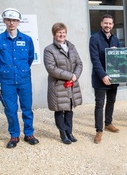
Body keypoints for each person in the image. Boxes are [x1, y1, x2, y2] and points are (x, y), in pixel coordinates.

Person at [0, 8, 39, 148]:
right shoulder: (0, 39)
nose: (12, 23)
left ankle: (29, 133)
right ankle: (14, 135)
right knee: (10, 110)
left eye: (14, 20)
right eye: (9, 20)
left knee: (27, 108)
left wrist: (21, 71)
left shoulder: (27, 40)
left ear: (18, 22)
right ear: (4, 21)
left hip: (24, 80)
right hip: (6, 81)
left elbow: (29, 58)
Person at [43, 23, 83, 145]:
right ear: (54, 34)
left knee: (69, 109)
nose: (62, 35)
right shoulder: (49, 50)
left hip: (71, 84)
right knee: (60, 110)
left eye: (63, 32)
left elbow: (79, 63)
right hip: (58, 85)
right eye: (59, 32)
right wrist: (70, 76)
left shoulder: (71, 47)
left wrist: (75, 75)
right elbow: (51, 68)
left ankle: (70, 132)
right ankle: (63, 133)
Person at [89, 14, 120, 144]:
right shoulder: (94, 38)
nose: (108, 25)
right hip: (100, 78)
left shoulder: (115, 39)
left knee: (111, 101)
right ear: (101, 24)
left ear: (112, 25)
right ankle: (99, 130)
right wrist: (103, 75)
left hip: (114, 77)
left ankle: (108, 123)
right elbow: (95, 60)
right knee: (100, 104)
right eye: (105, 23)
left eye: (110, 23)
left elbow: (120, 58)